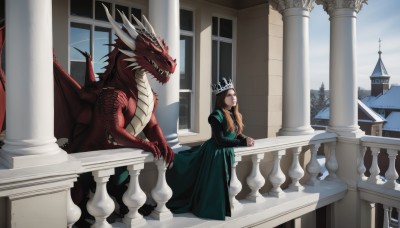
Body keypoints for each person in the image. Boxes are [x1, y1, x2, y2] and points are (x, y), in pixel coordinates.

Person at [166, 78, 255, 220]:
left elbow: (236, 132)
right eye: (229, 95)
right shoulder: (216, 116)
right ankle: (209, 209)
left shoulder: (234, 114)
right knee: (211, 183)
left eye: (234, 94)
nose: (234, 98)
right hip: (215, 152)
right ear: (221, 98)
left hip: (226, 151)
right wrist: (242, 143)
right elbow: (220, 140)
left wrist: (245, 138)